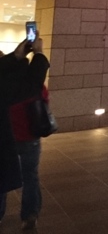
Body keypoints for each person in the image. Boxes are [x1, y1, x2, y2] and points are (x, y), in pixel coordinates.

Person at [0, 35, 50, 229]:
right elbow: (39, 91)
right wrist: (39, 53)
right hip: (28, 137)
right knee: (30, 176)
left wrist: (18, 55)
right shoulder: (28, 86)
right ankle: (30, 215)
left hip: (5, 139)